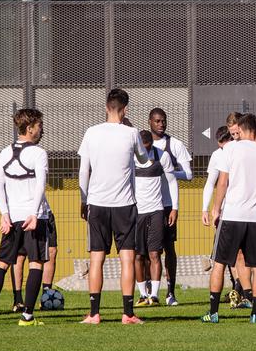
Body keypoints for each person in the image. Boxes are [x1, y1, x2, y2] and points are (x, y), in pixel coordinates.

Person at [78, 89, 149, 325]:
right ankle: (128, 313)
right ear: (125, 109)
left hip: (97, 204)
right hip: (125, 205)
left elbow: (83, 172)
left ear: (106, 106)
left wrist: (83, 199)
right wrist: (131, 128)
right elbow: (144, 161)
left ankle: (94, 313)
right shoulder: (131, 133)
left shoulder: (91, 132)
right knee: (127, 259)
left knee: (96, 258)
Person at [0, 108, 50, 326]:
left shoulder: (4, 152)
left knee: (2, 263)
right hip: (33, 217)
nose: (42, 129)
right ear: (29, 128)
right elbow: (40, 186)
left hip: (13, 217)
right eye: (39, 126)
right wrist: (35, 214)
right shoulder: (39, 153)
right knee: (35, 263)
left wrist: (4, 215)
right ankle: (27, 316)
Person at [202, 114, 256, 324]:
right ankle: (255, 314)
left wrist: (215, 208)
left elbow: (222, 182)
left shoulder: (231, 149)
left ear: (241, 130)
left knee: (219, 263)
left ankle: (214, 312)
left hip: (232, 215)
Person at [148, 108, 191, 307]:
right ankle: (147, 291)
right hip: (145, 204)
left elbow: (189, 174)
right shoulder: (141, 143)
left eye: (163, 121)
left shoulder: (174, 144)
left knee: (168, 249)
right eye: (157, 121)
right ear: (150, 122)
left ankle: (170, 292)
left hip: (166, 206)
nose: (161, 124)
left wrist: (169, 173)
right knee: (145, 251)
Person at [134, 130, 173, 306]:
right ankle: (142, 295)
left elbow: (172, 182)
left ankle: (155, 295)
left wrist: (175, 208)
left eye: (149, 146)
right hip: (136, 212)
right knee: (138, 256)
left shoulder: (162, 156)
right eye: (143, 147)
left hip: (156, 210)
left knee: (155, 253)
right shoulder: (130, 157)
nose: (146, 150)